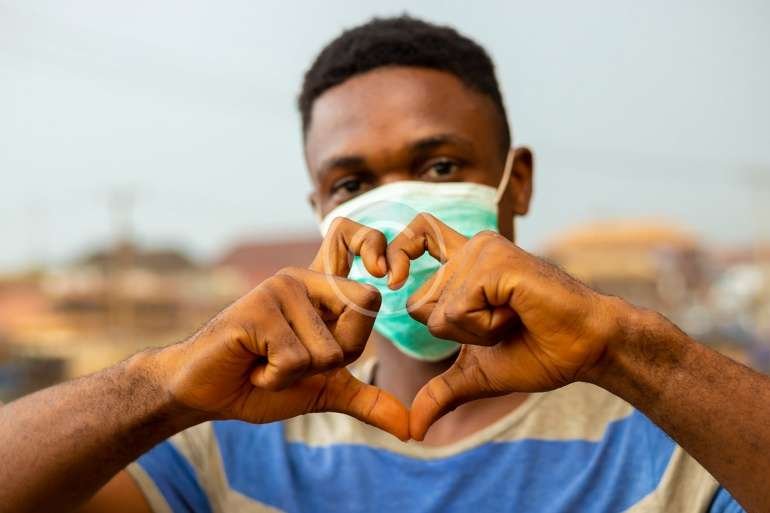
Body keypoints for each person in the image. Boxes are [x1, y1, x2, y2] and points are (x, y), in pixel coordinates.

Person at [1, 16, 767, 513]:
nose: (403, 217)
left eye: (440, 166)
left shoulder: (679, 443)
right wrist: (161, 387)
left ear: (517, 182)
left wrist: (628, 349)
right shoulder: (231, 443)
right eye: (352, 184)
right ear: (320, 212)